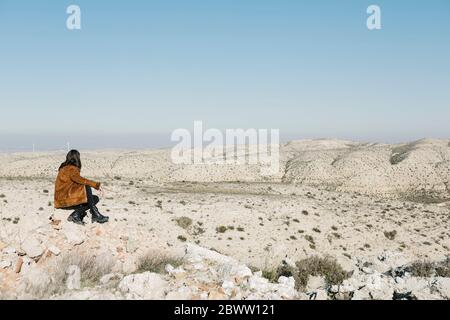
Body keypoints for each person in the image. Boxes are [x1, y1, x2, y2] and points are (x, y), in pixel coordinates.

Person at [54, 150, 109, 225]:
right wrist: (97, 185)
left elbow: (74, 183)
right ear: (77, 158)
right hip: (65, 199)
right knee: (87, 186)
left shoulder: (64, 168)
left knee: (94, 198)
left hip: (62, 199)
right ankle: (88, 214)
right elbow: (80, 180)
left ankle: (84, 213)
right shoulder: (71, 169)